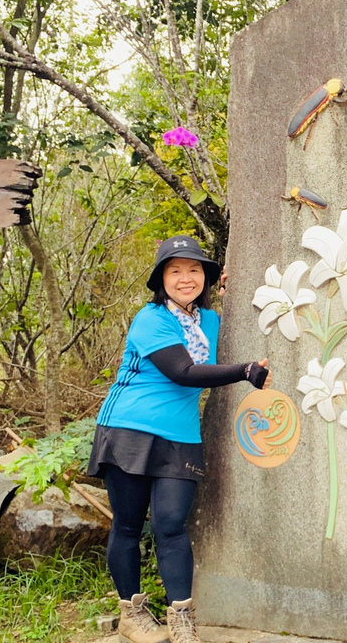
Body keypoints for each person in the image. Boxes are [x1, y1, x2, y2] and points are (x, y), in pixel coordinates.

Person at [87, 235, 272, 643]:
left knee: (171, 525)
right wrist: (244, 371)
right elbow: (183, 373)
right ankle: (131, 614)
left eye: (195, 270)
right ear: (161, 279)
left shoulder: (208, 320)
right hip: (128, 429)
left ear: (205, 278)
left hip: (180, 435)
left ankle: (181, 621)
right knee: (129, 525)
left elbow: (230, 317)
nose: (185, 278)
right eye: (175, 270)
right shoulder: (150, 320)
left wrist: (232, 288)